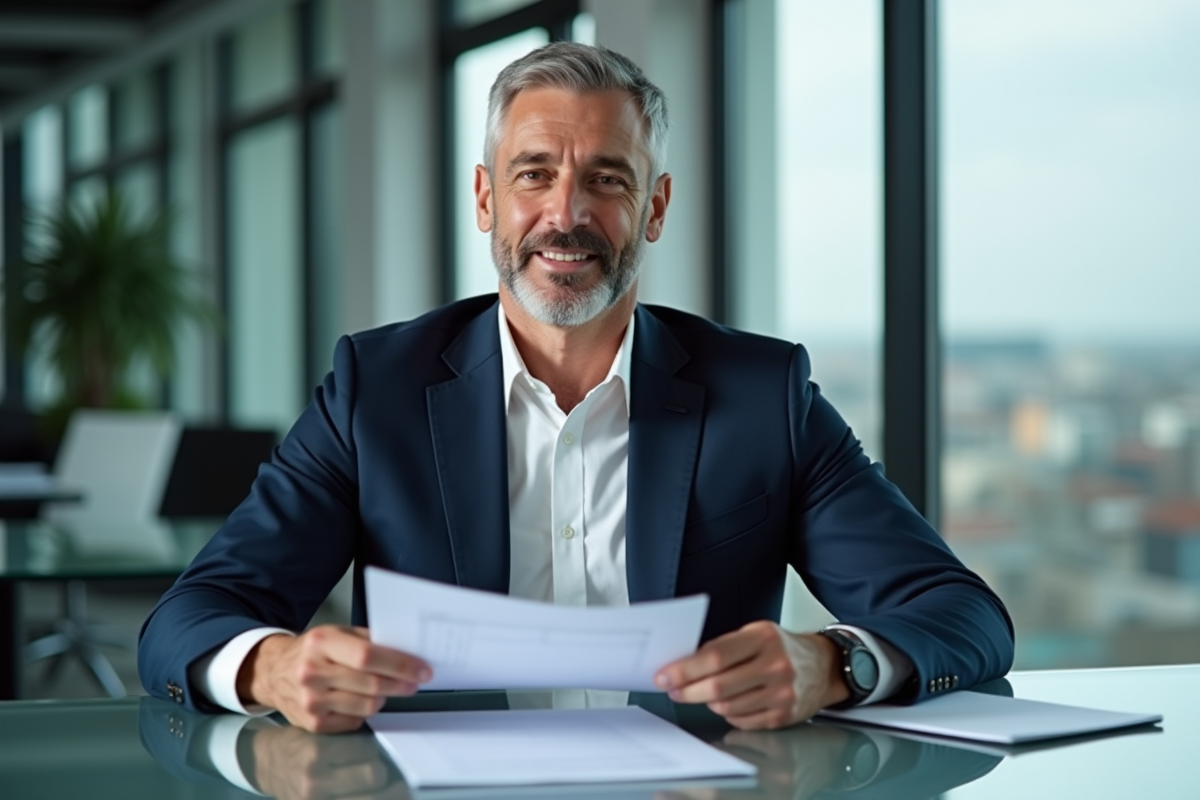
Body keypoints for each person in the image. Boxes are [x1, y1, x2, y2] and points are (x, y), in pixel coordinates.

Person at [138, 42, 1013, 734]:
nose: (566, 214)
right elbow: (194, 617)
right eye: (533, 175)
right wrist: (270, 667)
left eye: (607, 178)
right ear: (485, 199)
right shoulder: (378, 390)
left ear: (656, 208)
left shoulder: (763, 394)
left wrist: (837, 663)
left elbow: (961, 615)